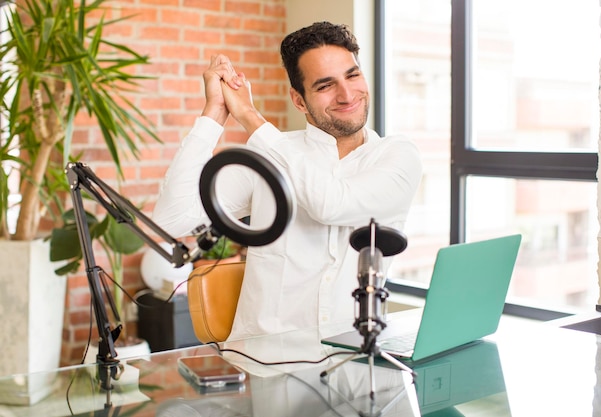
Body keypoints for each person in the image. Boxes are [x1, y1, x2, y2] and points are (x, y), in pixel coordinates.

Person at [152, 21, 422, 340]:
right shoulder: (271, 153)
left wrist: (252, 118)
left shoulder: (397, 156)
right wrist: (213, 114)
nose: (347, 94)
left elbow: (332, 204)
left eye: (352, 75)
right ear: (299, 100)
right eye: (325, 85)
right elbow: (171, 221)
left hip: (356, 363)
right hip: (270, 363)